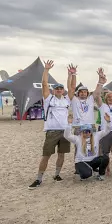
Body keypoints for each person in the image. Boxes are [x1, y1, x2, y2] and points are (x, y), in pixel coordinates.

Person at [29, 60, 71, 189]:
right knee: (46, 155)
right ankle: (39, 179)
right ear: (53, 90)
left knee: (61, 154)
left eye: (61, 88)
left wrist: (70, 75)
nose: (59, 90)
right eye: (57, 88)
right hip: (52, 131)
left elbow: (72, 88)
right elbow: (44, 84)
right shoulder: (48, 99)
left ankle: (57, 175)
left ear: (63, 91)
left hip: (65, 131)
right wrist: (46, 70)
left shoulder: (66, 100)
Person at [94, 68, 112, 173]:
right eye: (109, 97)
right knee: (105, 153)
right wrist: (100, 81)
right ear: (106, 98)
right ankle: (107, 170)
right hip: (105, 131)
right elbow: (97, 95)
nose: (111, 98)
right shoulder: (102, 106)